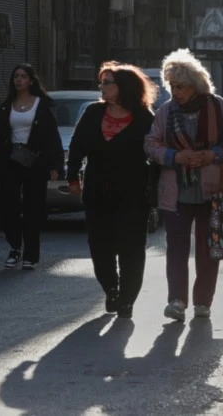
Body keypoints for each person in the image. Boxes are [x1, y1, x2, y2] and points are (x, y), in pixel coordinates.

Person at [144, 49, 223, 323]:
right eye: (172, 86)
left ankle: (202, 302)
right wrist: (175, 157)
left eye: (181, 87)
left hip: (212, 190)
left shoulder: (218, 107)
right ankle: (176, 301)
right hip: (176, 192)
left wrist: (213, 154)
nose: (176, 92)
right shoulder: (165, 112)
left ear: (195, 85)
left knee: (208, 249)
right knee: (176, 247)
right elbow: (150, 144)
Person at [67, 62, 157, 319]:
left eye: (107, 83)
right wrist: (72, 176)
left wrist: (156, 191)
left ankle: (127, 299)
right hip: (97, 190)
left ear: (123, 87)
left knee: (132, 248)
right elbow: (77, 145)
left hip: (132, 193)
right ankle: (111, 288)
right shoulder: (93, 112)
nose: (101, 87)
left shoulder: (145, 118)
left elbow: (155, 155)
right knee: (100, 246)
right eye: (101, 82)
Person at [0, 64, 64, 271]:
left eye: (23, 76)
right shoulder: (6, 106)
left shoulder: (42, 105)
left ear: (31, 81)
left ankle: (31, 254)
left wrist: (55, 165)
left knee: (33, 208)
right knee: (7, 207)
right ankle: (15, 247)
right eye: (16, 76)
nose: (19, 80)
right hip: (11, 161)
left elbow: (52, 137)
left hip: (35, 162)